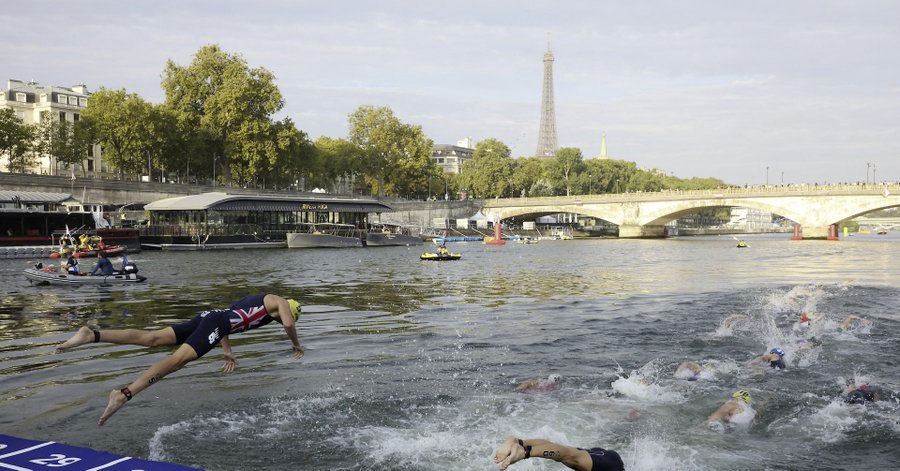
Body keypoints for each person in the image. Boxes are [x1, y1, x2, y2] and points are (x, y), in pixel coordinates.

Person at [55, 294, 303, 426]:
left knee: (152, 338)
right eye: (282, 318)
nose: (281, 321)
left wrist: (227, 350)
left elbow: (226, 319)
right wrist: (295, 343)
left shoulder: (256, 302)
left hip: (210, 317)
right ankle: (124, 394)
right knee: (177, 361)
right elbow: (289, 324)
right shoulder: (278, 301)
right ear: (289, 308)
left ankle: (93, 335)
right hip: (215, 322)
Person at [493, 435, 624, 471]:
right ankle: (525, 452)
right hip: (612, 466)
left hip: (604, 455)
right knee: (569, 456)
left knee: (567, 452)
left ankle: (519, 442)